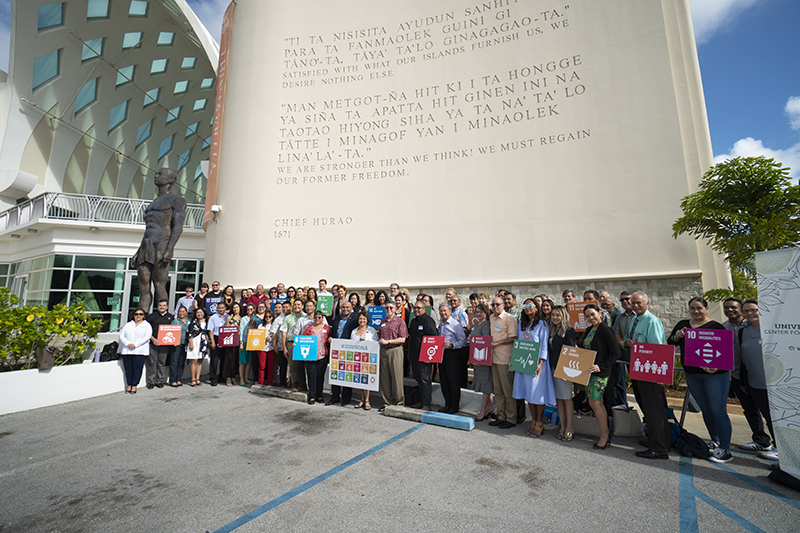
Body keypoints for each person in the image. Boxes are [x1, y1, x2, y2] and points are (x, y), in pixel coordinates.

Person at [668, 296, 731, 463]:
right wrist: (677, 337)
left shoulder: (717, 327)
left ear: (707, 309)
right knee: (706, 409)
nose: (696, 311)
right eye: (693, 308)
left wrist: (717, 367)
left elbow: (726, 352)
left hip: (714, 375)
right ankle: (715, 440)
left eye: (699, 308)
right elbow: (670, 343)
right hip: (692, 374)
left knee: (718, 411)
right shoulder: (683, 325)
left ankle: (725, 448)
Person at [130, 168, 186, 313]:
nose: (156, 176)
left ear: (171, 179)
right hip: (146, 245)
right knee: (144, 286)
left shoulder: (176, 200)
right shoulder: (153, 203)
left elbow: (178, 227)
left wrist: (170, 249)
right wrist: (138, 252)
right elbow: (147, 229)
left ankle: (163, 319)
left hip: (161, 244)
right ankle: (142, 319)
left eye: (160, 174)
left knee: (159, 284)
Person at [625, 291, 669, 460]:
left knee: (654, 410)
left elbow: (657, 349)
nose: (635, 305)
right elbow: (629, 340)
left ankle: (659, 448)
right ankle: (658, 440)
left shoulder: (652, 321)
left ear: (647, 303)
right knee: (647, 408)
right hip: (637, 369)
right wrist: (628, 343)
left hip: (649, 372)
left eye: (639, 303)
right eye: (633, 303)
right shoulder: (635, 320)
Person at [734, 300, 778, 460]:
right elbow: (744, 359)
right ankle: (764, 442)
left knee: (776, 416)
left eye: (754, 310)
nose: (750, 313)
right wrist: (744, 382)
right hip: (755, 381)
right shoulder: (742, 331)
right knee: (765, 414)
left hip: (774, 381)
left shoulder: (772, 328)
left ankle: (781, 448)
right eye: (746, 311)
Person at [513, 298, 555, 437]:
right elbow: (518, 342)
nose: (527, 308)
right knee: (528, 394)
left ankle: (539, 422)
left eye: (530, 305)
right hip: (523, 362)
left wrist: (540, 364)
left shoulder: (542, 324)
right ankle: (533, 421)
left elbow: (543, 345)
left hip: (537, 364)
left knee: (537, 394)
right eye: (525, 305)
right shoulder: (522, 324)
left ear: (537, 308)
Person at [582, 303, 620, 449]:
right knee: (594, 403)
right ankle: (604, 433)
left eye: (593, 314)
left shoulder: (605, 330)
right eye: (588, 316)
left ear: (599, 313)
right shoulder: (588, 330)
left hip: (600, 373)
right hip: (589, 372)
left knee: (596, 402)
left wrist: (601, 366)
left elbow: (615, 353)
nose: (591, 318)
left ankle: (605, 436)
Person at [488, 297, 518, 429]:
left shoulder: (509, 318)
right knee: (498, 390)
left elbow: (513, 337)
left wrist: (498, 343)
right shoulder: (491, 318)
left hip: (505, 359)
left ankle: (511, 418)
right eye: (493, 305)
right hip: (493, 358)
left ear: (503, 305)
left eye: (497, 304)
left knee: (508, 391)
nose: (495, 307)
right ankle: (501, 416)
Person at [549, 305, 577, 441]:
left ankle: (570, 427)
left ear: (563, 316)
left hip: (564, 369)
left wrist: (567, 372)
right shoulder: (553, 330)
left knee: (566, 398)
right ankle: (563, 426)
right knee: (559, 398)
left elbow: (571, 351)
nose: (555, 317)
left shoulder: (569, 330)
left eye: (558, 315)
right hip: (553, 368)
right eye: (553, 315)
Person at [408, 299, 439, 411]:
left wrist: (429, 357)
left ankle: (426, 404)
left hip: (425, 357)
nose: (416, 310)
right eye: (414, 308)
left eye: (418, 308)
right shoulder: (413, 321)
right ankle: (421, 401)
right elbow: (412, 338)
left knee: (425, 380)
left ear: (424, 309)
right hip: (415, 356)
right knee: (418, 379)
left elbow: (434, 339)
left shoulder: (428, 321)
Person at [378, 301, 408, 411]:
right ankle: (387, 403)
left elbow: (403, 338)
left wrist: (389, 341)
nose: (389, 309)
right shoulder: (383, 322)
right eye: (387, 308)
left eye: (391, 307)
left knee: (397, 377)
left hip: (395, 350)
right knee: (384, 378)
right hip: (384, 351)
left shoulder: (400, 322)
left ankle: (399, 403)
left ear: (395, 309)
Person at [438, 303, 468, 414]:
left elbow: (463, 340)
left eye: (445, 310)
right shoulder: (440, 324)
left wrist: (452, 345)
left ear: (450, 311)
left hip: (453, 354)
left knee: (453, 382)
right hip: (441, 355)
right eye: (441, 311)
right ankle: (447, 404)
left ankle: (454, 407)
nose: (443, 313)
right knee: (444, 381)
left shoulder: (455, 324)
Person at [327, 300, 358, 406]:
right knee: (335, 373)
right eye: (343, 308)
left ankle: (346, 398)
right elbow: (333, 332)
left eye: (347, 308)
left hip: (348, 350)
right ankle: (334, 396)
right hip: (336, 350)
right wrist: (330, 338)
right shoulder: (336, 319)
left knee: (347, 374)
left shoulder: (355, 319)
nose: (345, 309)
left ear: (351, 308)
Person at [610, 291, 635, 411]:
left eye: (627, 299)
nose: (625, 302)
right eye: (622, 300)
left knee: (638, 385)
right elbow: (616, 333)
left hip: (638, 355)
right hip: (622, 353)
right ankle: (622, 406)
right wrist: (622, 344)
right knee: (619, 382)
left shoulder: (640, 316)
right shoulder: (620, 317)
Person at [470, 303, 494, 421]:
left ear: (486, 313)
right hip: (476, 358)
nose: (478, 314)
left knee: (486, 385)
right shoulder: (475, 324)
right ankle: (490, 408)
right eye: (477, 312)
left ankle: (483, 410)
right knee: (486, 384)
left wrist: (482, 359)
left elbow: (486, 342)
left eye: (481, 312)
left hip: (482, 358)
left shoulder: (486, 325)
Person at [119, 309, 153, 394]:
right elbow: (122, 335)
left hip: (139, 351)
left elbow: (147, 336)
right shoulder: (128, 324)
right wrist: (127, 343)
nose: (138, 316)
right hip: (127, 350)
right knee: (128, 369)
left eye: (140, 314)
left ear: (144, 316)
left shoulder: (146, 325)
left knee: (137, 369)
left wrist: (135, 345)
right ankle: (129, 384)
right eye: (136, 314)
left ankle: (134, 385)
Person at [351, 310, 379, 410]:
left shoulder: (371, 330)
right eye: (360, 319)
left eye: (364, 319)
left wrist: (366, 341)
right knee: (360, 379)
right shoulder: (354, 331)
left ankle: (367, 400)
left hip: (368, 358)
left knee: (366, 379)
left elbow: (376, 342)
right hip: (357, 358)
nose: (362, 320)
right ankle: (362, 399)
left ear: (367, 320)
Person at [302, 311, 331, 404]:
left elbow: (330, 338)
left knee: (320, 377)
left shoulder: (326, 328)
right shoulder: (308, 328)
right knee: (311, 376)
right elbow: (302, 339)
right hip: (310, 356)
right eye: (316, 317)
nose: (317, 319)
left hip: (322, 356)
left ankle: (319, 395)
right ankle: (312, 396)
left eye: (319, 317)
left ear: (322, 318)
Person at [145, 299, 174, 389]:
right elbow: (146, 330)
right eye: (160, 305)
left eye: (164, 305)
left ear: (167, 306)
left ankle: (160, 381)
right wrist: (153, 339)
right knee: (152, 363)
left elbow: (173, 330)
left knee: (162, 363)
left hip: (165, 345)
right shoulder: (152, 316)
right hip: (153, 343)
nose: (162, 307)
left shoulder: (170, 317)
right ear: (158, 306)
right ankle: (151, 381)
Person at [281, 299, 305, 391]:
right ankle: (295, 384)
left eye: (299, 304)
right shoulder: (288, 318)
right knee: (293, 366)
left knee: (304, 366)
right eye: (295, 305)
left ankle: (304, 385)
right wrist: (285, 348)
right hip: (291, 343)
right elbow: (284, 333)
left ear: (302, 306)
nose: (297, 306)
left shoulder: (306, 317)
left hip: (304, 343)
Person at [186, 307, 209, 387]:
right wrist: (191, 344)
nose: (200, 314)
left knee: (200, 361)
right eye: (198, 313)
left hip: (203, 343)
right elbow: (189, 334)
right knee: (194, 361)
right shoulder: (193, 323)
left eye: (201, 312)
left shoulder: (207, 322)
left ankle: (198, 378)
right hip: (195, 342)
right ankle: (193, 379)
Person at [207, 301, 228, 386]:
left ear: (225, 308)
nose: (221, 309)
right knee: (214, 360)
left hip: (225, 338)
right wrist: (212, 342)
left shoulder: (228, 317)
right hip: (216, 337)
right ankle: (213, 378)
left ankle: (221, 377)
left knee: (224, 359)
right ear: (217, 308)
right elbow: (210, 331)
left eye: (223, 308)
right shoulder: (213, 317)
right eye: (219, 308)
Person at [222, 302, 243, 386]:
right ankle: (227, 377)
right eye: (234, 308)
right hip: (230, 341)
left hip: (238, 341)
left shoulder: (242, 318)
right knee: (228, 359)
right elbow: (226, 330)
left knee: (235, 359)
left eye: (237, 307)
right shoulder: (229, 318)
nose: (235, 309)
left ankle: (233, 376)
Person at [168, 306, 189, 387]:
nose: (182, 313)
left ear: (186, 312)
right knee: (174, 362)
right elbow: (170, 333)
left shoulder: (189, 321)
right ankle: (172, 380)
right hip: (176, 345)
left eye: (183, 311)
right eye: (180, 311)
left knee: (181, 363)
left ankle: (178, 379)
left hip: (185, 345)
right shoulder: (175, 321)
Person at [272, 301, 290, 387]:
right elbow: (274, 333)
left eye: (287, 307)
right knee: (282, 366)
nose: (285, 309)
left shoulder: (294, 317)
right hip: (280, 346)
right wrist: (275, 345)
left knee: (293, 367)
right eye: (284, 307)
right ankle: (283, 383)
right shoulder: (278, 319)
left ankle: (292, 383)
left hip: (292, 346)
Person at [256, 309, 276, 386]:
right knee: (262, 366)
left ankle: (270, 382)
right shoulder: (260, 326)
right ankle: (261, 382)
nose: (268, 318)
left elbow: (275, 337)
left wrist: (270, 339)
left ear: (272, 317)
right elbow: (257, 336)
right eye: (266, 317)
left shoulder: (274, 326)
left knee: (270, 367)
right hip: (262, 348)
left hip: (271, 348)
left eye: (269, 317)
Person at [239, 303, 256, 387]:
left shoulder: (255, 318)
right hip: (244, 341)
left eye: (251, 309)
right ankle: (241, 379)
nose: (249, 311)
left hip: (252, 342)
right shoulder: (243, 319)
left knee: (249, 361)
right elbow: (241, 331)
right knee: (242, 361)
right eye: (248, 309)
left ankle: (246, 378)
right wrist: (241, 343)